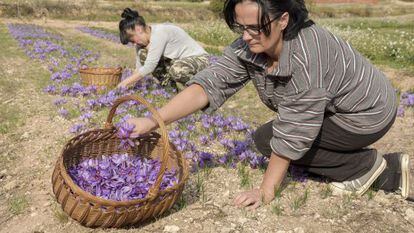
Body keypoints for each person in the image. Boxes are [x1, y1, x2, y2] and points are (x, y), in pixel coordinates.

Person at [125, 0, 413, 209]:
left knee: (274, 141)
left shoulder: (305, 55)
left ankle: (376, 169)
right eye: (241, 26)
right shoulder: (248, 46)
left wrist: (265, 191)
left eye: (255, 27)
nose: (247, 35)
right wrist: (152, 120)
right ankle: (365, 164)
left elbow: (294, 130)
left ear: (283, 20)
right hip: (336, 109)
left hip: (366, 114)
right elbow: (208, 84)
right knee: (265, 139)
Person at [117, 8, 210, 90]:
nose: (134, 44)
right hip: (177, 62)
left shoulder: (159, 34)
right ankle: (170, 90)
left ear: (138, 29)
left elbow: (149, 66)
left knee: (177, 70)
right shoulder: (141, 44)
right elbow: (139, 67)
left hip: (199, 59)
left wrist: (124, 83)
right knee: (143, 53)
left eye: (132, 40)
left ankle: (202, 90)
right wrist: (133, 85)